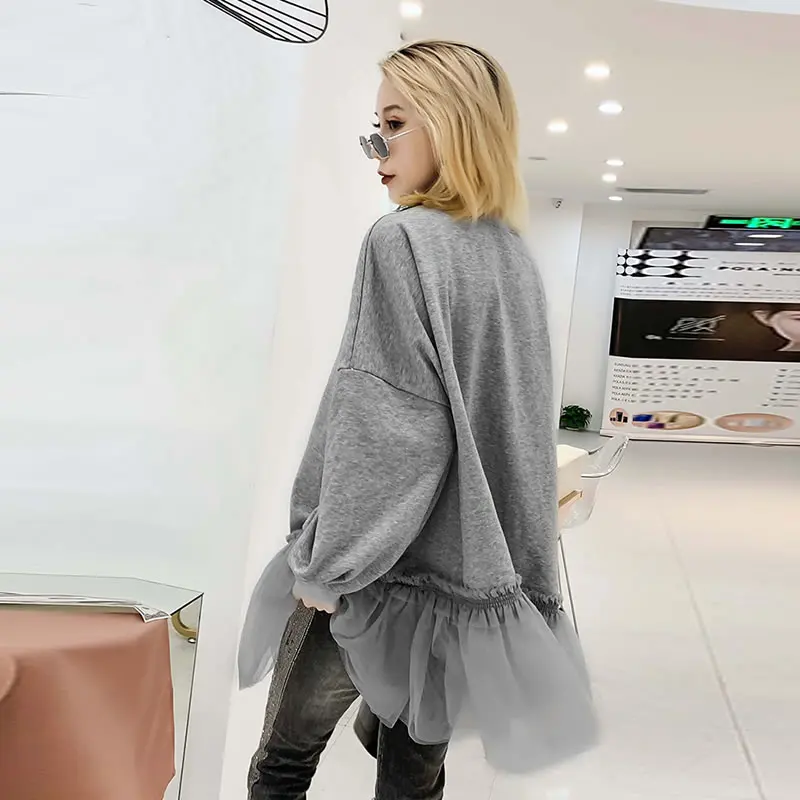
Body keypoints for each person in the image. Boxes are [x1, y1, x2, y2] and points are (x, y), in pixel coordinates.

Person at [238, 40, 597, 800]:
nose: (377, 148)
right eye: (376, 127)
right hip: (465, 579)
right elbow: (518, 431)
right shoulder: (512, 257)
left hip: (376, 575)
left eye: (395, 124)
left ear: (454, 122)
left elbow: (389, 425)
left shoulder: (400, 239)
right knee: (414, 774)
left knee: (283, 764)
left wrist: (331, 566)